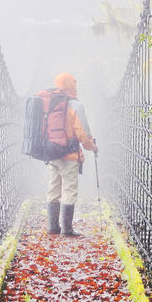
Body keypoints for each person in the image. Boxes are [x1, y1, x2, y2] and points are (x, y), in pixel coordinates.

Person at [46, 72, 97, 237]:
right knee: (69, 189)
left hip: (52, 153)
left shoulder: (51, 103)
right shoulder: (75, 106)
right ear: (72, 86)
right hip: (69, 156)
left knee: (53, 188)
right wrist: (92, 147)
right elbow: (83, 134)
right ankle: (67, 230)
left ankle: (53, 227)